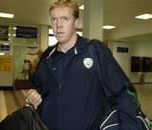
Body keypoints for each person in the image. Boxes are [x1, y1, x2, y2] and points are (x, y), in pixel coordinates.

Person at [26, 0, 149, 129]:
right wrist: (34, 96)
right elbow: (39, 88)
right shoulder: (47, 56)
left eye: (65, 18)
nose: (58, 25)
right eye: (54, 19)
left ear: (76, 22)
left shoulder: (95, 50)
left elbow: (124, 92)